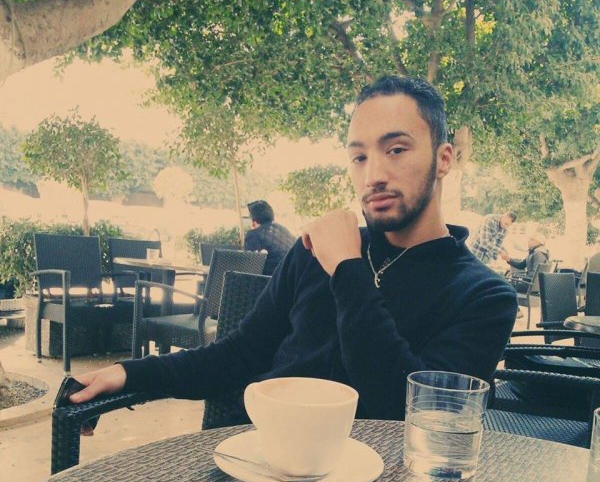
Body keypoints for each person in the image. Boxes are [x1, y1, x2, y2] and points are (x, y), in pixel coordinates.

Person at [70, 75, 518, 421]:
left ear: (443, 159)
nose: (373, 176)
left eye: (396, 150)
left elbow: (405, 413)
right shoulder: (313, 251)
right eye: (359, 157)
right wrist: (129, 373)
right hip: (263, 461)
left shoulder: (484, 296)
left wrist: (347, 268)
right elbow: (238, 354)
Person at [244, 200, 296, 275]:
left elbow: (249, 267)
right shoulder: (282, 229)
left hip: (273, 277)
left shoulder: (253, 235)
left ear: (253, 220)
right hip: (293, 274)